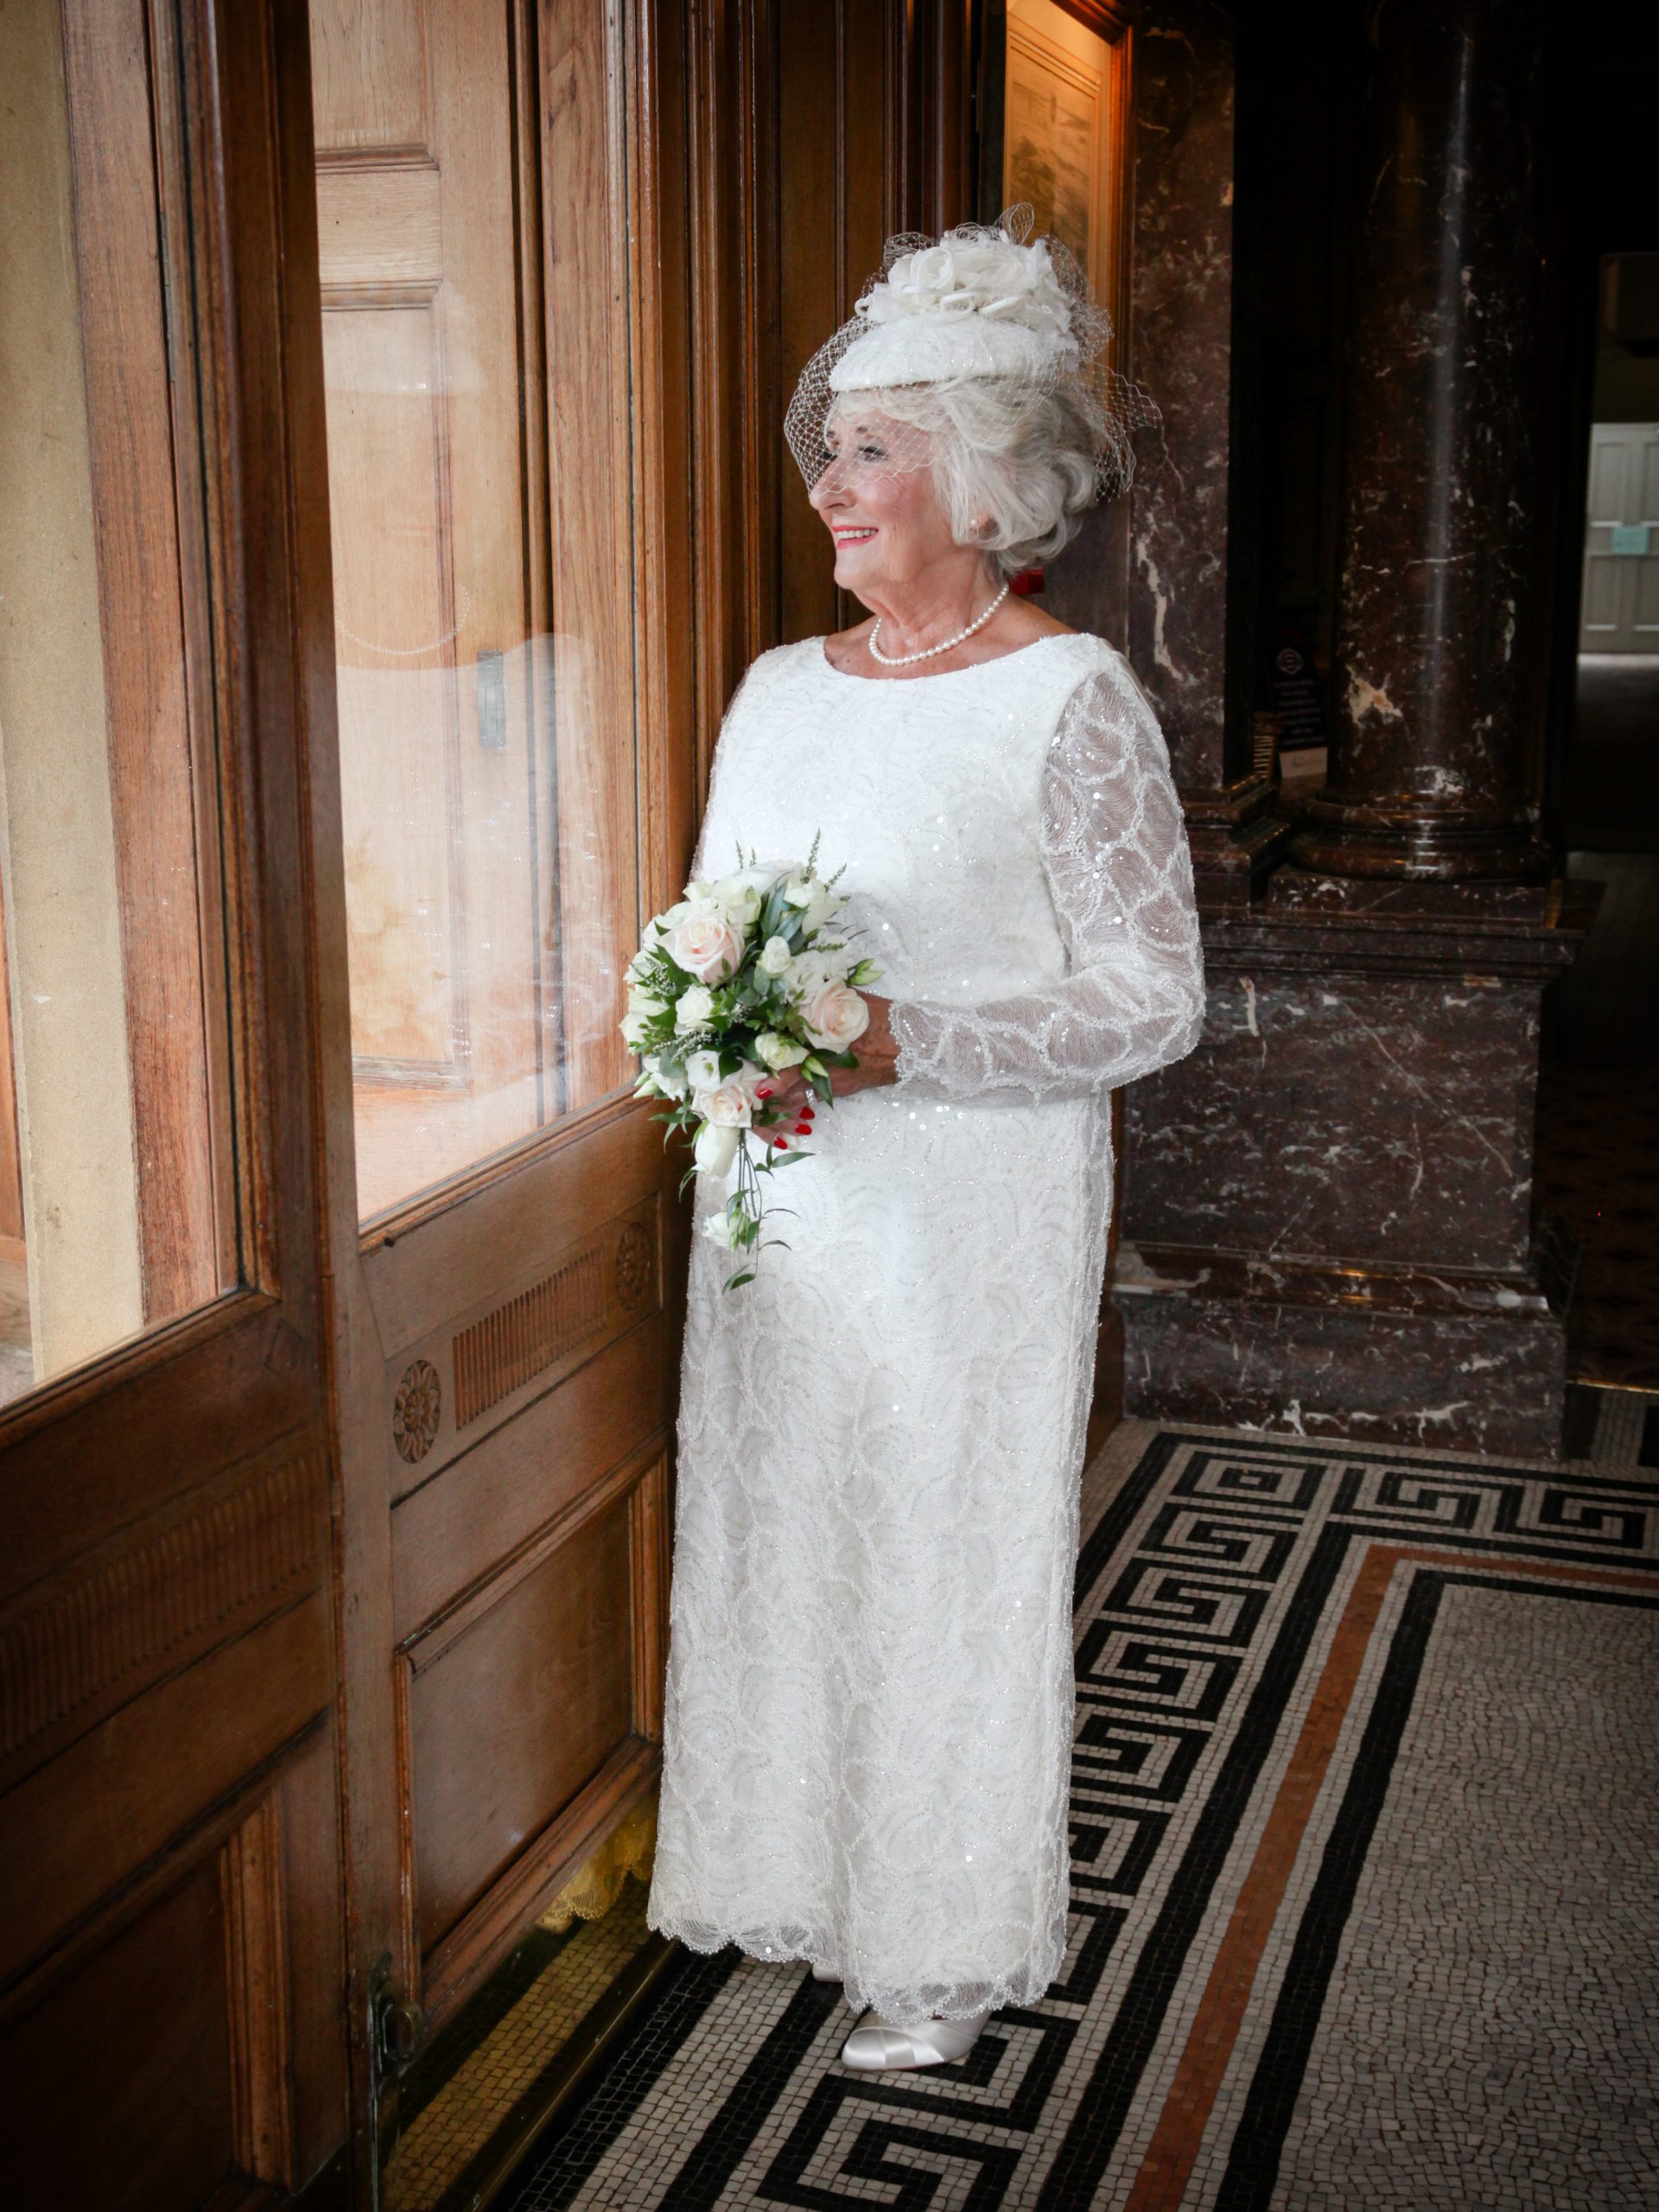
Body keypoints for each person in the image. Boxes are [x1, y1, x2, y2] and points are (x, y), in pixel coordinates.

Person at [645, 209, 1205, 2072]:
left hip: (972, 1199)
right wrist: (712, 1033)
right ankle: (787, 1863)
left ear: (979, 474)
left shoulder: (1071, 700)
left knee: (947, 1545)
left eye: (873, 449)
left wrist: (907, 1040)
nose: (830, 483)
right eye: (836, 448)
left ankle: (937, 1940)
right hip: (789, 1201)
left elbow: (1152, 998)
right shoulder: (775, 691)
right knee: (787, 1519)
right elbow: (719, 919)